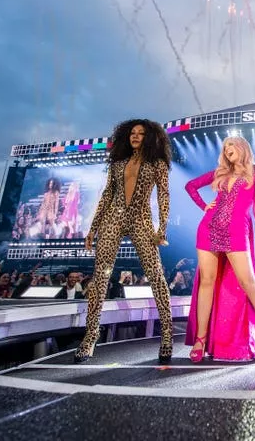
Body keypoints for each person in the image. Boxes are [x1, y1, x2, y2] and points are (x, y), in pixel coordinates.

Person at [74, 119, 174, 364]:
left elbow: (163, 194)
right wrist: (93, 228)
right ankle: (90, 336)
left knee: (156, 275)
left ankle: (167, 336)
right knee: (100, 277)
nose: (136, 136)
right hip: (113, 218)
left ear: (149, 137)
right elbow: (107, 195)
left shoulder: (157, 164)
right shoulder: (117, 164)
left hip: (141, 220)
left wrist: (162, 229)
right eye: (132, 133)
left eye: (141, 133)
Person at [184, 136, 255, 363]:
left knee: (249, 283)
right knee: (207, 281)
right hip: (208, 228)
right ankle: (200, 339)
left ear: (242, 147)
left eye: (231, 146)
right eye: (225, 148)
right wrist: (204, 206)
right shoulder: (219, 172)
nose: (227, 150)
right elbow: (190, 186)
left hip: (236, 230)